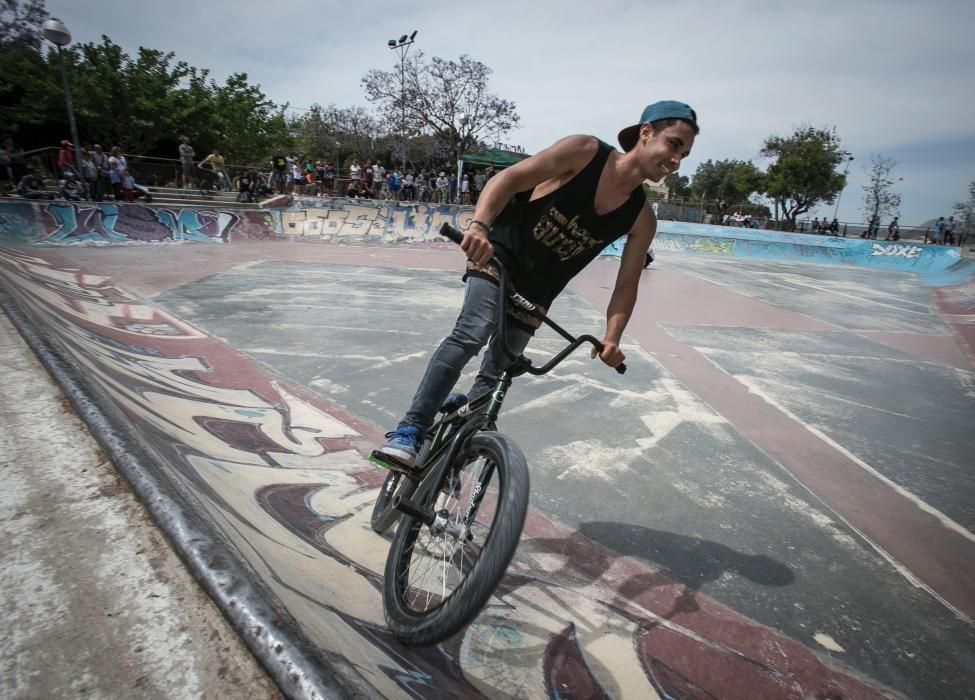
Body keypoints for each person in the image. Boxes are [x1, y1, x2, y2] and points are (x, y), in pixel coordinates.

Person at [374, 100, 699, 468]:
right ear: (646, 132)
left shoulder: (642, 219)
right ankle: (410, 430)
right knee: (472, 332)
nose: (676, 161)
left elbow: (626, 285)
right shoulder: (585, 152)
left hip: (537, 292)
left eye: (684, 154)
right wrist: (479, 225)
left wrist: (612, 338)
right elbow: (507, 179)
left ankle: (450, 460)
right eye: (674, 145)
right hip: (499, 257)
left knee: (497, 373)